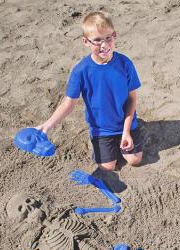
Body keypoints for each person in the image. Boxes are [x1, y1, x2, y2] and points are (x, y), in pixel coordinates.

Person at [36, 11, 143, 171]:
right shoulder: (81, 71)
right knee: (107, 167)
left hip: (126, 124)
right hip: (102, 129)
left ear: (115, 35)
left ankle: (127, 135)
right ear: (86, 42)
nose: (104, 45)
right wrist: (47, 126)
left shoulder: (125, 63)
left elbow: (132, 99)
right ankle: (99, 144)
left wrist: (126, 131)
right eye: (97, 40)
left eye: (108, 38)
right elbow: (68, 103)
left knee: (135, 160)